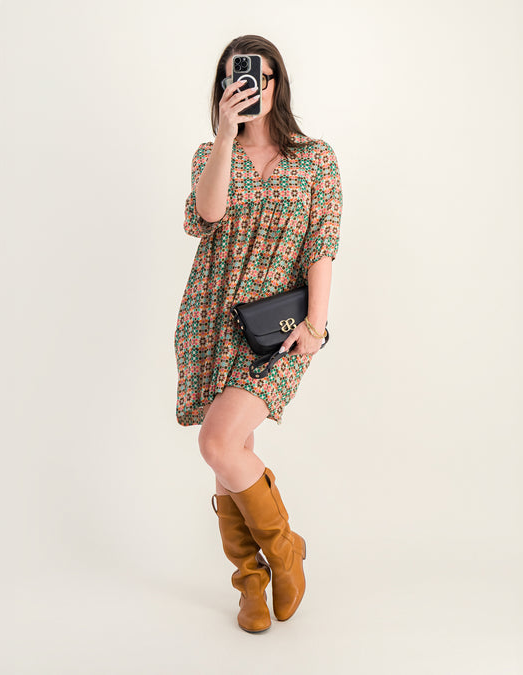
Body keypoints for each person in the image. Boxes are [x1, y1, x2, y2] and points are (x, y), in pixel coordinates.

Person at [173, 35, 343, 633]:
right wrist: (225, 135)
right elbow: (208, 214)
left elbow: (322, 243)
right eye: (234, 77)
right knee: (231, 449)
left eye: (255, 76)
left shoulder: (316, 159)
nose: (245, 86)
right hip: (213, 317)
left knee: (218, 442)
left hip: (278, 328)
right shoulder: (210, 152)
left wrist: (317, 325)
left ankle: (284, 550)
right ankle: (250, 581)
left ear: (277, 84)